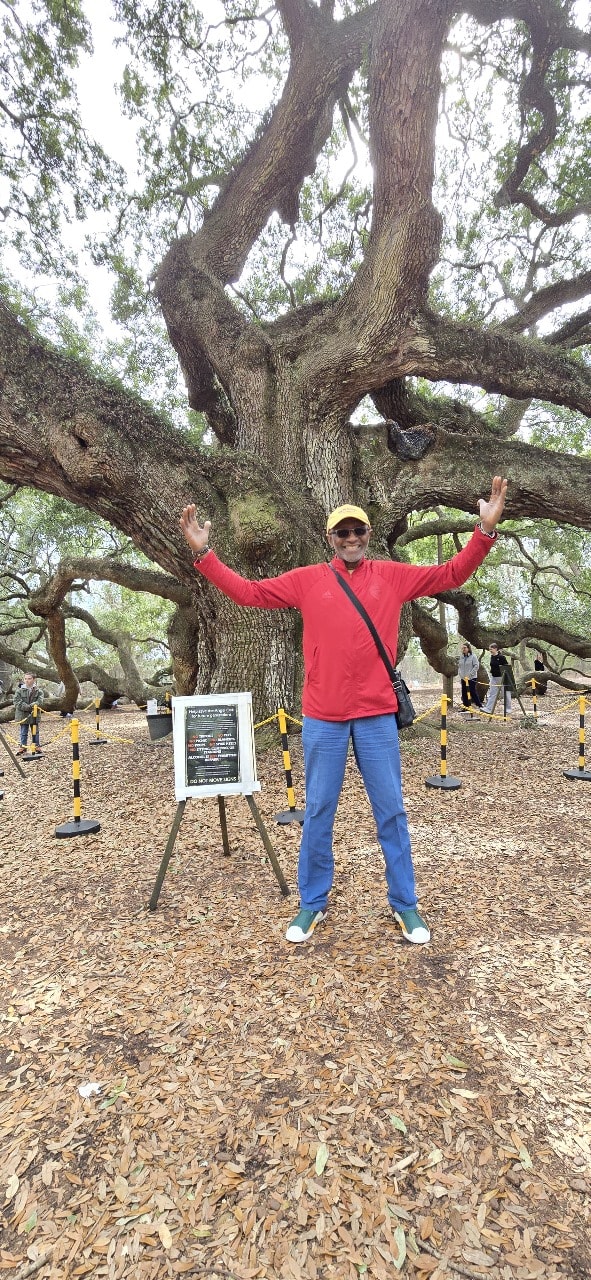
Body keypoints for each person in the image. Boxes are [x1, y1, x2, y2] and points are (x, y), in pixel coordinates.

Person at [180, 476, 507, 946]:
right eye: (342, 533)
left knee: (391, 811)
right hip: (323, 718)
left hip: (375, 716)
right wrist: (205, 556)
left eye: (358, 532)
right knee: (318, 812)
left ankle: (405, 905)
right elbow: (248, 593)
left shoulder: (392, 576)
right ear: (330, 539)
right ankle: (312, 903)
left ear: (368, 536)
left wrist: (485, 532)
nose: (351, 539)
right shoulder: (309, 579)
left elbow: (451, 574)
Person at [14, 672, 44, 754]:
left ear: (34, 679)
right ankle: (23, 747)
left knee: (35, 732)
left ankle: (37, 746)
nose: (27, 680)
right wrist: (27, 707)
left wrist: (31, 705)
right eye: (25, 678)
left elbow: (40, 701)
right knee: (23, 732)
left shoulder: (39, 691)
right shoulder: (19, 691)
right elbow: (17, 702)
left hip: (34, 715)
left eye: (29, 678)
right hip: (23, 715)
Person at [483, 643, 512, 715]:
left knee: (505, 693)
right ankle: (489, 708)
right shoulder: (492, 657)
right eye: (489, 649)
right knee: (492, 693)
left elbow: (506, 667)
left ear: (495, 649)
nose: (490, 650)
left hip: (501, 677)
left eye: (491, 649)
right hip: (494, 677)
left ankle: (508, 709)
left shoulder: (502, 657)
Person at [457, 642, 482, 710]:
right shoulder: (461, 657)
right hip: (463, 678)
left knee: (472, 691)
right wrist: (461, 675)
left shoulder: (473, 656)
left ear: (468, 648)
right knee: (464, 692)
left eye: (465, 648)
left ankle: (479, 705)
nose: (463, 649)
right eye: (462, 648)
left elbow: (476, 666)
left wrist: (470, 675)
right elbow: (459, 667)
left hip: (471, 678)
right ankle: (465, 707)